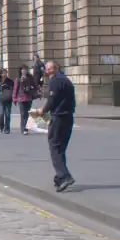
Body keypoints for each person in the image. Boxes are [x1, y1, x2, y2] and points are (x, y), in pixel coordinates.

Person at [31, 61, 76, 192]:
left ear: (53, 69)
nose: (46, 71)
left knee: (55, 146)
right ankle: (59, 177)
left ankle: (64, 176)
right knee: (61, 147)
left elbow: (52, 100)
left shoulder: (55, 81)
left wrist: (42, 110)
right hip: (68, 117)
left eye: (48, 69)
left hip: (58, 118)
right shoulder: (66, 80)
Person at [13, 66, 38, 135]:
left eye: (26, 69)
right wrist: (14, 98)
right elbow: (15, 89)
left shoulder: (30, 78)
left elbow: (35, 86)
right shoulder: (18, 79)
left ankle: (26, 129)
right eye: (23, 70)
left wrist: (38, 92)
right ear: (20, 71)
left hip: (28, 98)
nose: (24, 71)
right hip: (20, 98)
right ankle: (23, 129)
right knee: (23, 114)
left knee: (27, 114)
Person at [0, 69, 14, 134]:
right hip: (0, 100)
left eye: (5, 73)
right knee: (1, 114)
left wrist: (14, 98)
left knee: (8, 114)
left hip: (8, 100)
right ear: (0, 74)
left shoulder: (10, 81)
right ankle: (1, 126)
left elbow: (13, 91)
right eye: (3, 73)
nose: (4, 74)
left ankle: (7, 129)